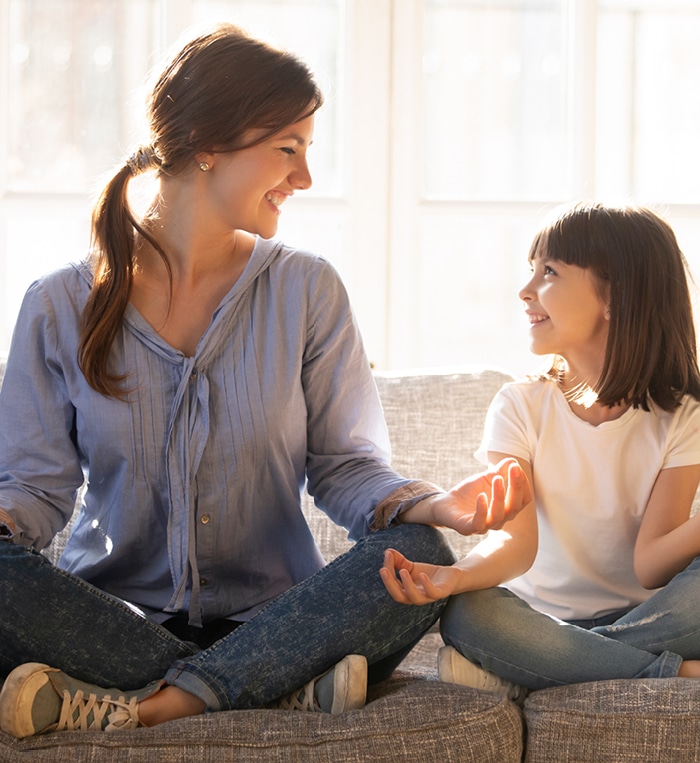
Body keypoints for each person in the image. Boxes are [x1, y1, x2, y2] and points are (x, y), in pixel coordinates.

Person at [0, 23, 530, 738]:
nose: (305, 178)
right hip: (110, 619)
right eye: (288, 148)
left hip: (282, 618)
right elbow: (35, 489)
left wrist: (440, 506)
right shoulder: (59, 303)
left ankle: (148, 698)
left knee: (423, 555)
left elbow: (343, 467)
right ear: (206, 145)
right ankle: (272, 688)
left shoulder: (306, 290)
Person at [380, 201, 700, 701]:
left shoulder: (682, 417)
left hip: (647, 615)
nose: (525, 290)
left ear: (615, 294)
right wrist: (453, 577)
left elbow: (651, 566)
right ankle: (674, 674)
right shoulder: (521, 405)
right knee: (469, 612)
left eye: (549, 272)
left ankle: (543, 666)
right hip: (540, 620)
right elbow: (517, 545)